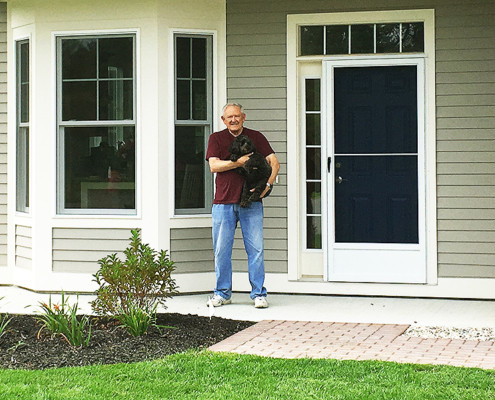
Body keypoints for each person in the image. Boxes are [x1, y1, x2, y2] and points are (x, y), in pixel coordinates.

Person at [206, 103, 280, 308]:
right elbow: (214, 165)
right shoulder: (216, 139)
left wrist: (268, 184)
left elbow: (274, 162)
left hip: (252, 202)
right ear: (223, 120)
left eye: (237, 116)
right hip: (223, 201)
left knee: (256, 249)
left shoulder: (256, 137)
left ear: (243, 117)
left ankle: (258, 294)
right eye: (229, 117)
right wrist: (238, 163)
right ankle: (222, 293)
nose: (233, 120)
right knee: (221, 250)